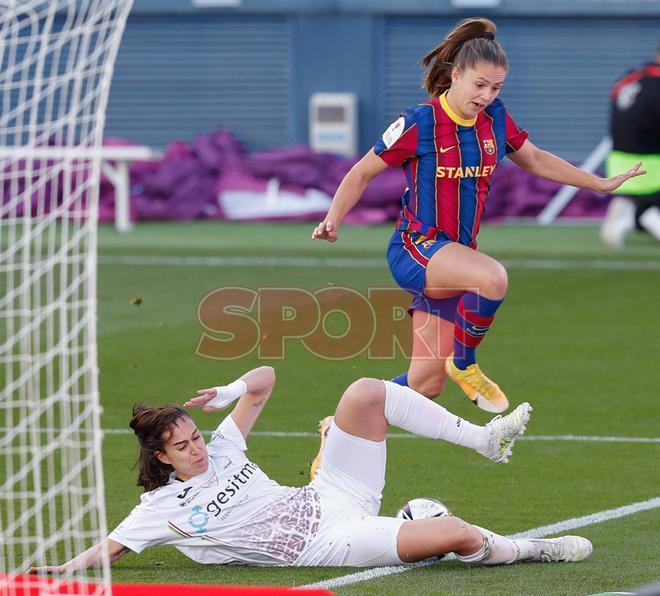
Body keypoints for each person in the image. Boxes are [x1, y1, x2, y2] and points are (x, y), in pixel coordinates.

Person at [312, 17, 645, 414]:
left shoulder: (495, 119)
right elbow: (361, 171)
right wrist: (333, 218)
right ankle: (464, 363)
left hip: (455, 257)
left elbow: (535, 159)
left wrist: (599, 184)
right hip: (417, 248)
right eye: (480, 85)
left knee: (423, 386)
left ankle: (340, 423)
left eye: (496, 87)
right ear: (455, 75)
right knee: (492, 278)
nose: (487, 95)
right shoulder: (419, 122)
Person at [28, 366, 592, 573]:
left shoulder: (222, 446)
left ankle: (486, 440)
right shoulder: (160, 511)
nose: (198, 448)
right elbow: (105, 553)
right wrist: (45, 579)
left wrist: (233, 389)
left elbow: (267, 378)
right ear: (161, 457)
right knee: (457, 533)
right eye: (183, 446)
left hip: (330, 492)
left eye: (195, 436)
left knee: (366, 392)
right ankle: (524, 547)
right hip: (329, 541)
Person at [600, 43, 660, 248]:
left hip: (619, 160)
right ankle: (639, 215)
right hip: (650, 164)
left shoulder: (629, 78)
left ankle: (633, 211)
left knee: (647, 202)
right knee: (651, 207)